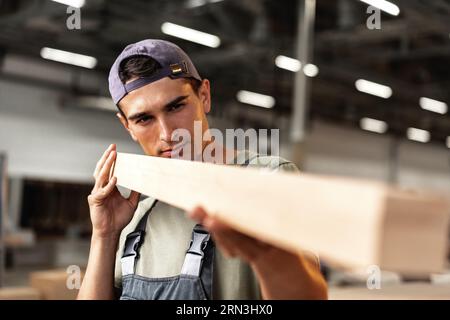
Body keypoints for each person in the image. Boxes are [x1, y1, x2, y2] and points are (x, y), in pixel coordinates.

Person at [77, 39, 327, 300]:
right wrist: (104, 235)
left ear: (204, 96)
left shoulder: (265, 180)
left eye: (175, 106)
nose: (167, 134)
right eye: (144, 119)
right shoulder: (135, 210)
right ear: (127, 126)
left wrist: (270, 258)